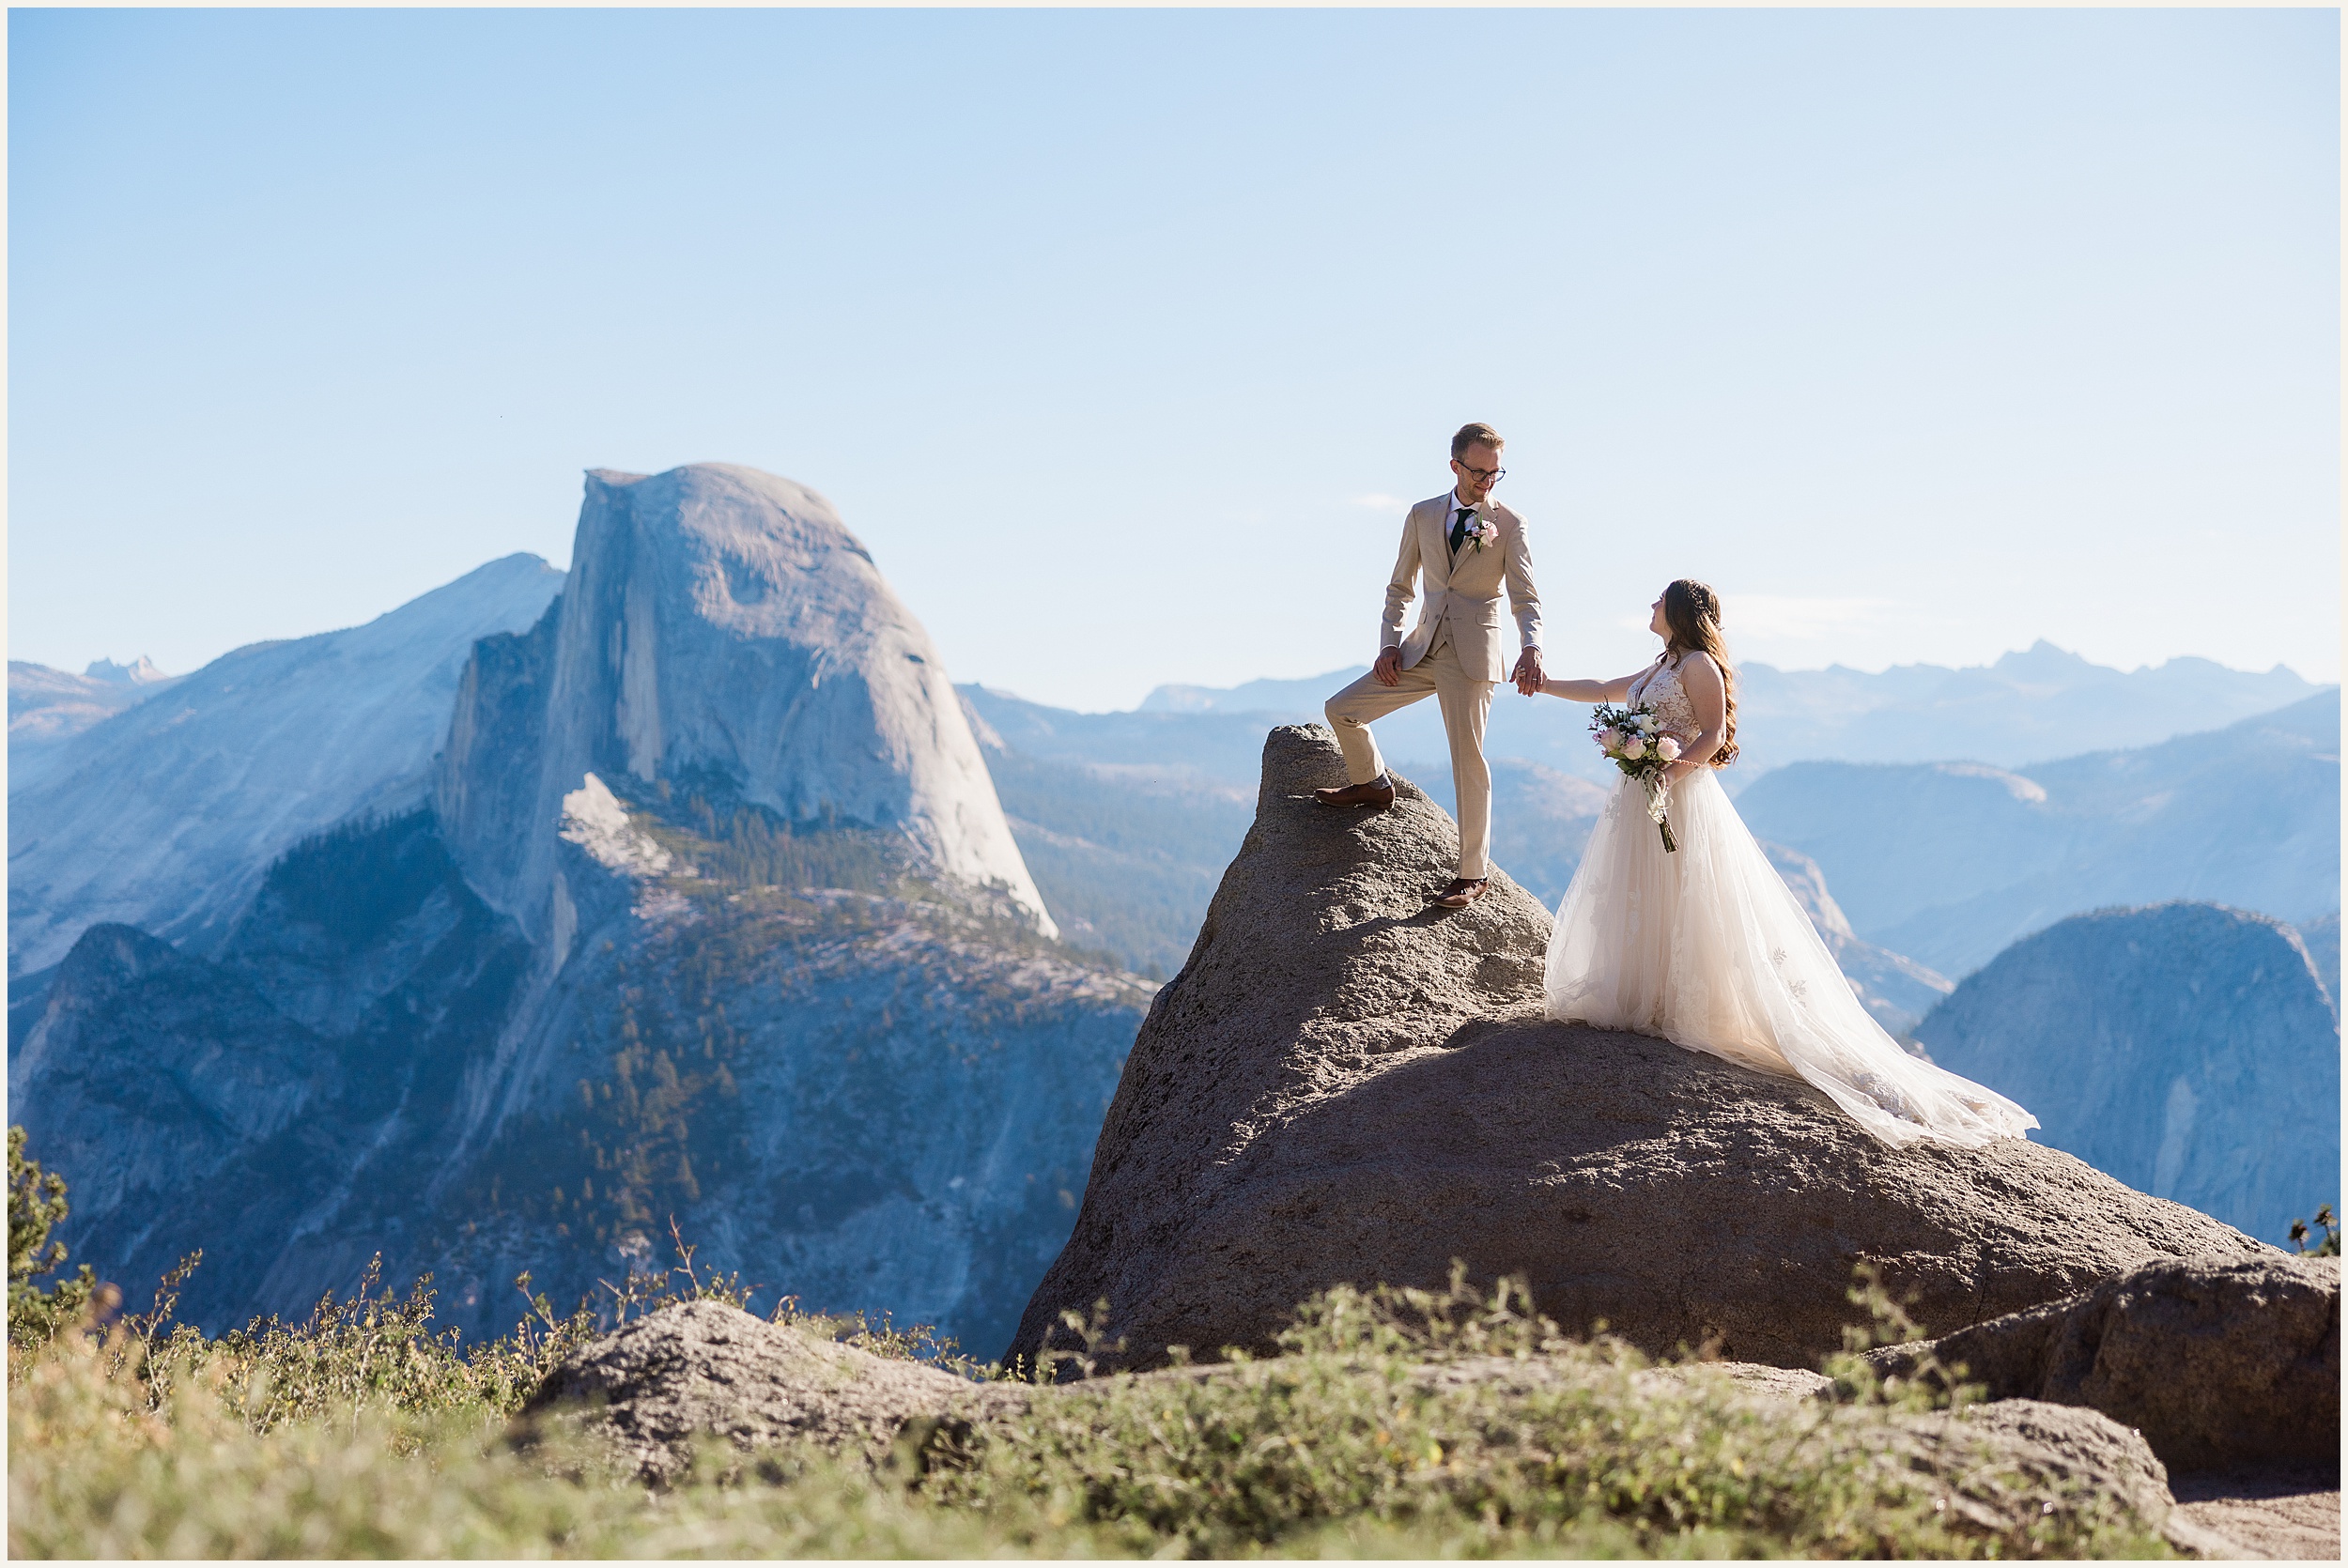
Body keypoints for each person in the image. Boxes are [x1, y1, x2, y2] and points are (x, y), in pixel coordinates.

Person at [1533, 578, 2037, 1148]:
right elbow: (1604, 687)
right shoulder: (1660, 665)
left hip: (1678, 794)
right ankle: (1645, 994)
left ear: (1677, 611)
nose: (1648, 606)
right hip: (1642, 794)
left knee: (1684, 889)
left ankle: (1677, 1000)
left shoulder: (1699, 663)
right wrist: (1542, 683)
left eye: (1657, 600)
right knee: (1641, 889)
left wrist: (1670, 773)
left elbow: (1713, 732)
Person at [1318, 423, 1545, 910]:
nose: (1487, 481)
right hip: (1420, 650)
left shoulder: (1509, 524)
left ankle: (1472, 873)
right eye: (1478, 471)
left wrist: (1532, 647)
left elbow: (1525, 598)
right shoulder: (1422, 515)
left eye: (1495, 473)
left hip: (1472, 656)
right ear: (1455, 466)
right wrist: (1388, 645)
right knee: (1341, 709)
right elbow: (1399, 587)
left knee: (1468, 760)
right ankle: (1373, 784)